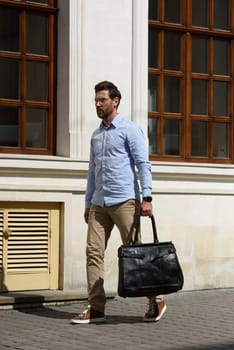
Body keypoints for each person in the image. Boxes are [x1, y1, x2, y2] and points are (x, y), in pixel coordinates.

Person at [71, 81, 166, 324]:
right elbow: (92, 171)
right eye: (96, 100)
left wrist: (147, 197)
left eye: (102, 100)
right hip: (99, 204)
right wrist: (88, 202)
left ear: (115, 101)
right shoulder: (96, 135)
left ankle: (155, 299)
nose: (98, 104)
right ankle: (97, 307)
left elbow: (143, 164)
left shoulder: (129, 130)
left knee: (136, 253)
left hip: (125, 201)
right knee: (93, 252)